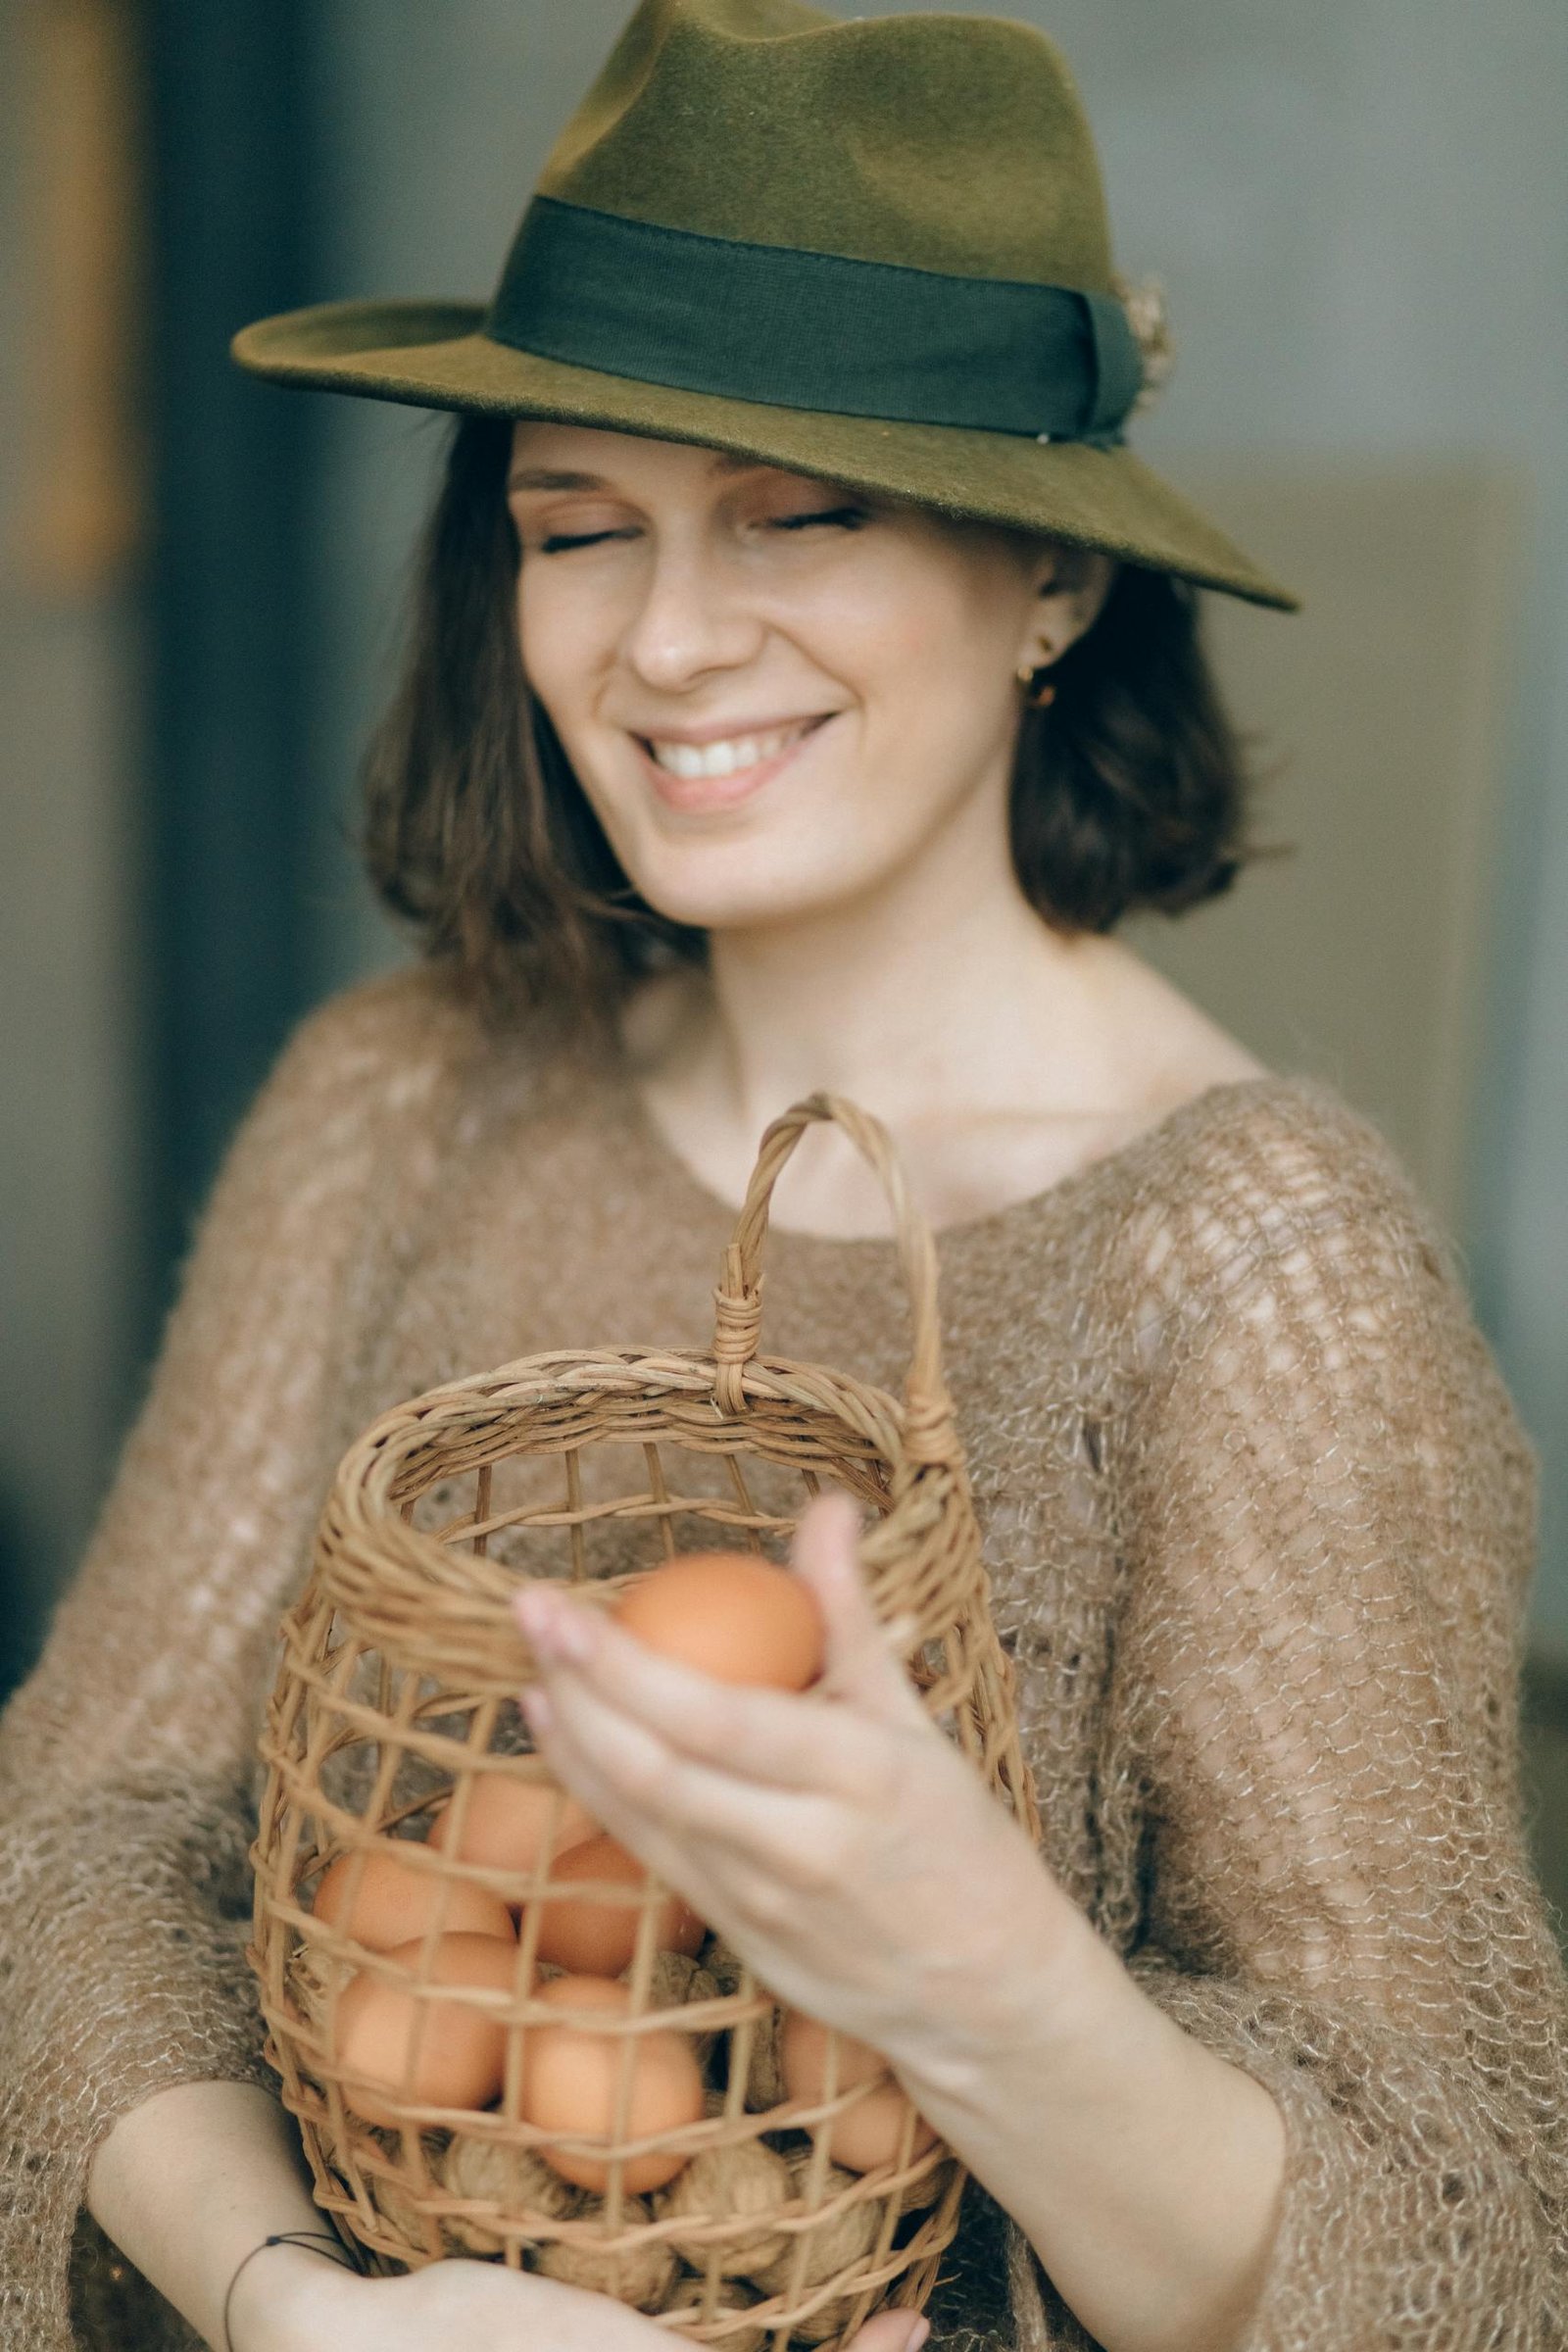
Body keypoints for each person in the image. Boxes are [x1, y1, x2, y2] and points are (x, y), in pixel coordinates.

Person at [3, 1, 1565, 2348]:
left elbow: (1451, 2232)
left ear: (1052, 584)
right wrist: (292, 2305)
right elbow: (70, 1849)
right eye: (575, 527)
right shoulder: (398, 1102)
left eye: (800, 516)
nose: (662, 641)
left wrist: (983, 1979)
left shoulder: (1249, 1278)